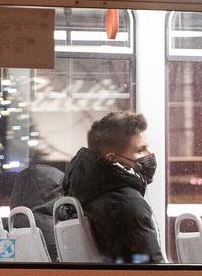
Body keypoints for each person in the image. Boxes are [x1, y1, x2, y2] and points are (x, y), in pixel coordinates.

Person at [60, 111, 165, 264]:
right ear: (113, 159)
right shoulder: (128, 204)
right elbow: (153, 269)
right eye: (140, 150)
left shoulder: (85, 195)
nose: (150, 154)